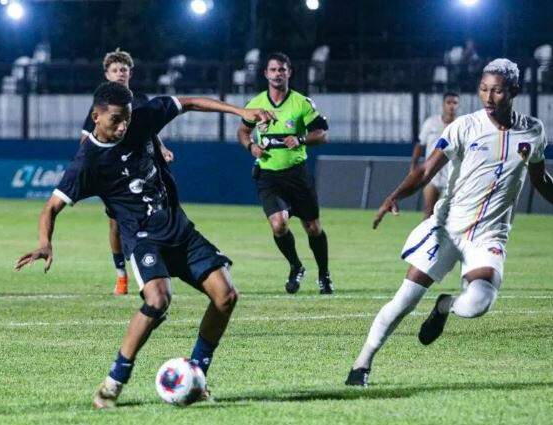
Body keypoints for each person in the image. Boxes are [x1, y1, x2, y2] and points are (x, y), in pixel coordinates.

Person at [15, 82, 275, 408]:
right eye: (115, 121)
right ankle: (112, 383)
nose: (123, 126)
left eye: (126, 118)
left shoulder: (142, 119)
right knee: (158, 298)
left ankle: (197, 373)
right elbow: (51, 207)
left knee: (226, 296)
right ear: (96, 116)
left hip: (179, 229)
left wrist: (242, 112)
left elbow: (191, 100)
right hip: (142, 238)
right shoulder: (88, 162)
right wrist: (44, 242)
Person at [346, 59, 553, 387]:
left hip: (490, 234)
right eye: (483, 89)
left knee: (477, 304)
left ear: (514, 91)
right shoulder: (464, 127)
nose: (488, 96)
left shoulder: (533, 131)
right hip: (448, 227)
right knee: (405, 299)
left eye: (497, 90)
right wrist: (394, 196)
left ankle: (446, 306)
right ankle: (362, 363)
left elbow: (540, 180)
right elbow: (425, 171)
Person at [236, 52, 333, 295]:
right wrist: (251, 146)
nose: (277, 74)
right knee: (278, 225)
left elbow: (322, 134)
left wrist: (300, 139)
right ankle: (296, 266)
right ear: (265, 74)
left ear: (289, 72)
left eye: (282, 69)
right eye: (273, 70)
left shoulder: (302, 103)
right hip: (268, 176)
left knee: (313, 228)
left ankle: (324, 274)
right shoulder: (255, 104)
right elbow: (242, 131)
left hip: (297, 175)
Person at [80, 48, 174, 296]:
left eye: (124, 69)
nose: (120, 73)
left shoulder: (141, 99)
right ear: (106, 74)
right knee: (116, 225)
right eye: (115, 70)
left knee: (161, 217)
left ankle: (155, 270)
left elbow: (150, 130)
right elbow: (85, 140)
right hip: (118, 178)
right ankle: (121, 276)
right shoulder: (102, 105)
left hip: (147, 171)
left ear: (130, 72)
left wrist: (162, 148)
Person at [410, 92, 460, 218]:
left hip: (453, 177)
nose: (452, 106)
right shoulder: (431, 123)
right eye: (449, 102)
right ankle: (425, 237)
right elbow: (420, 144)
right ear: (443, 105)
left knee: (449, 216)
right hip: (431, 175)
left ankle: (446, 237)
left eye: (455, 103)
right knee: (428, 212)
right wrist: (413, 166)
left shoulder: (461, 125)